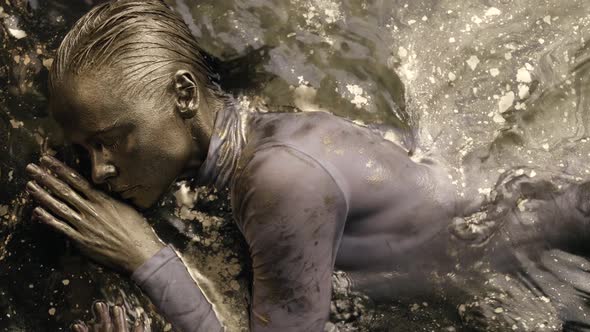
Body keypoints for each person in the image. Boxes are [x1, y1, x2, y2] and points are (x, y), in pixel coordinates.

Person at [23, 0, 590, 331]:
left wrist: (146, 260)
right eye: (84, 151)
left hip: (535, 260)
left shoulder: (279, 180)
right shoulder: (256, 134)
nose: (98, 172)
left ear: (184, 93)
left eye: (113, 141)